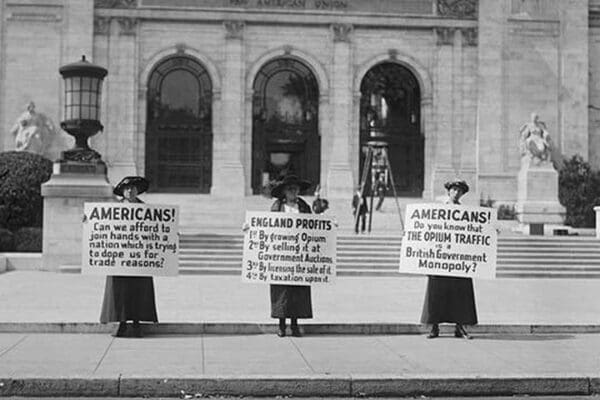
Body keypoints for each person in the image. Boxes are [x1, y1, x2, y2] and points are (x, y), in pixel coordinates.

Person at [100, 176, 158, 338]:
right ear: (122, 192)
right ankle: (122, 323)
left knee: (139, 290)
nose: (130, 191)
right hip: (119, 259)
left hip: (139, 259)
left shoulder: (147, 210)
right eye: (127, 188)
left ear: (138, 191)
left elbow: (157, 229)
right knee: (120, 291)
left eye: (133, 188)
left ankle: (137, 323)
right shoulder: (113, 210)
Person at [420, 179, 477, 339]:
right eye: (454, 190)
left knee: (461, 294)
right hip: (440, 259)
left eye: (460, 191)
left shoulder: (467, 213)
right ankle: (434, 328)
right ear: (449, 191)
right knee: (436, 293)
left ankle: (460, 328)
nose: (456, 193)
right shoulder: (438, 209)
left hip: (458, 261)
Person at [269, 174, 313, 337]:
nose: (293, 192)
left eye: (295, 189)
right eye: (290, 189)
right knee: (282, 292)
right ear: (284, 192)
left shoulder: (304, 207)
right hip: (282, 255)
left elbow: (314, 227)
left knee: (297, 292)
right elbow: (267, 227)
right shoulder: (277, 207)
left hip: (299, 255)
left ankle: (294, 325)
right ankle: (281, 325)